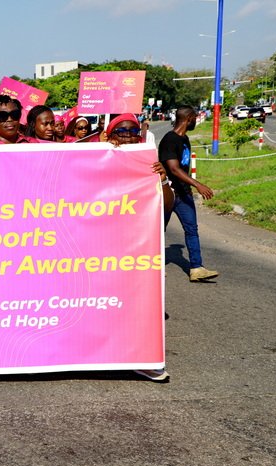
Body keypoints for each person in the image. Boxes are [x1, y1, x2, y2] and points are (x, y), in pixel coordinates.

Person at [105, 113, 174, 382]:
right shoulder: (96, 160)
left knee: (137, 304)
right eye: (120, 131)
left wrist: (163, 179)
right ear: (110, 135)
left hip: (136, 249)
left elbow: (167, 205)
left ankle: (142, 359)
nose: (127, 135)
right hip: (99, 249)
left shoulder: (149, 164)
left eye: (133, 131)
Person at [159, 106, 219, 282]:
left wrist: (189, 187)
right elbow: (173, 169)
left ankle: (196, 268)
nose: (196, 121)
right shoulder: (170, 139)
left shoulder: (184, 138)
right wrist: (198, 184)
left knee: (192, 229)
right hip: (168, 194)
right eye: (195, 118)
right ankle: (154, 267)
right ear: (189, 118)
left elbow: (182, 167)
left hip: (184, 194)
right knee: (158, 231)